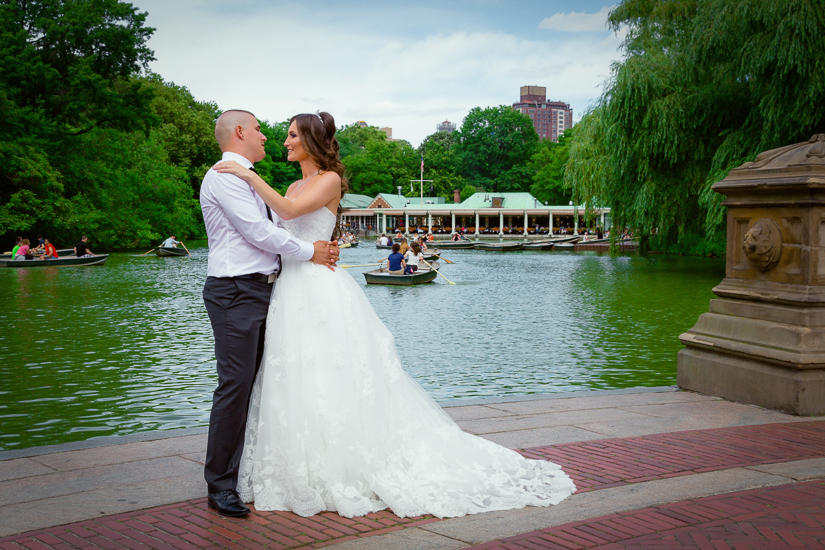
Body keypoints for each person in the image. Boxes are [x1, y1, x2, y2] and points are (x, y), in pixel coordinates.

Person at [212, 110, 574, 520]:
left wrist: (248, 176)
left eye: (292, 135)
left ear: (311, 140)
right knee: (292, 374)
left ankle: (343, 465)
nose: (284, 141)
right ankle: (297, 465)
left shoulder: (328, 180)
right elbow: (277, 230)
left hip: (317, 286)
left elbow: (290, 214)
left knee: (327, 371)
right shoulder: (294, 182)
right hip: (288, 287)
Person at [199, 109, 339, 518]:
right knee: (236, 386)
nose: (270, 138)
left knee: (267, 384)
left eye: (289, 134)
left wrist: (313, 248)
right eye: (260, 129)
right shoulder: (226, 175)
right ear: (240, 132)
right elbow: (259, 232)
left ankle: (254, 471)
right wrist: (310, 251)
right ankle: (220, 486)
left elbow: (283, 220)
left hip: (269, 290)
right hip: (235, 292)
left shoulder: (253, 178)